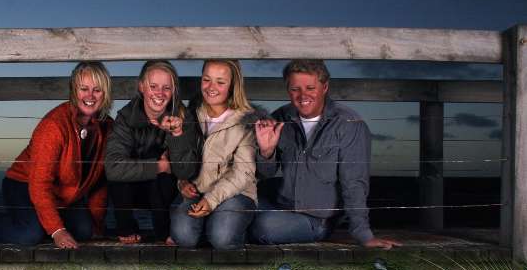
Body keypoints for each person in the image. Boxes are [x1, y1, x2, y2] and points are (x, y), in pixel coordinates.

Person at [0, 61, 113, 249]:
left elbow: (100, 183)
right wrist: (57, 230)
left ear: (106, 93)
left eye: (97, 90)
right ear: (73, 91)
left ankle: (43, 221)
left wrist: (98, 223)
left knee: (85, 232)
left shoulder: (109, 127)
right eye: (83, 89)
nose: (90, 96)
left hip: (64, 195)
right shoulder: (54, 126)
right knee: (29, 234)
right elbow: (39, 184)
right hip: (24, 184)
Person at [250, 59, 401, 249]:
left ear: (325, 87)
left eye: (310, 88)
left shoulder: (349, 124)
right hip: (280, 207)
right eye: (295, 89)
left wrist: (363, 235)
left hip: (317, 221)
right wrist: (266, 151)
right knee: (235, 208)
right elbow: (265, 173)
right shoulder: (280, 118)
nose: (302, 95)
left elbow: (354, 183)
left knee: (263, 227)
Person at [105, 60, 198, 244]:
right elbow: (113, 167)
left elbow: (186, 171)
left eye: (166, 88)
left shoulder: (183, 116)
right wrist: (161, 165)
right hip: (132, 189)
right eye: (153, 86)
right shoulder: (126, 117)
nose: (160, 93)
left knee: (160, 176)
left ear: (173, 91)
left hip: (164, 192)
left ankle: (163, 232)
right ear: (141, 87)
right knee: (123, 175)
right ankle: (126, 227)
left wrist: (176, 134)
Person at [170, 59, 257, 250]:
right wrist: (182, 182)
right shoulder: (191, 113)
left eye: (220, 82)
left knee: (222, 237)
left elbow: (244, 172)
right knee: (183, 237)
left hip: (236, 193)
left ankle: (235, 228)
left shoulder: (246, 119)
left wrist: (211, 200)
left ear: (233, 85)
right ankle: (206, 228)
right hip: (197, 190)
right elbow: (180, 154)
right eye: (206, 80)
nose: (211, 87)